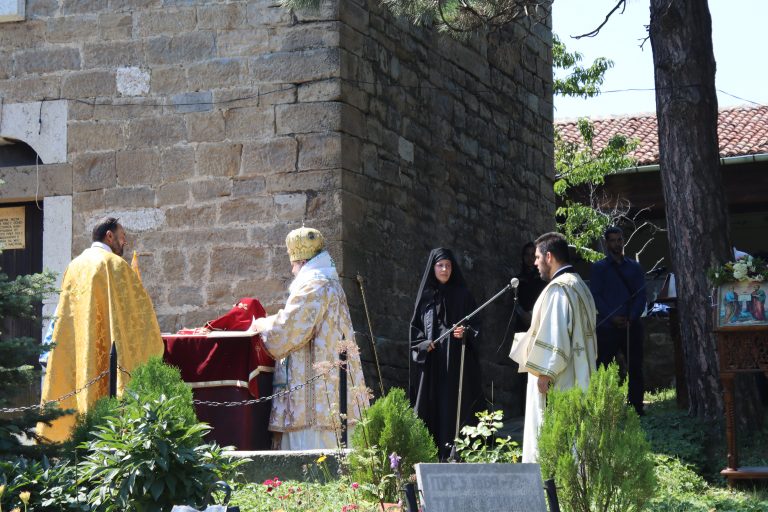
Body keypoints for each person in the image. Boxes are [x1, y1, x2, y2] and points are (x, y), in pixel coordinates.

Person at [38, 217, 163, 442]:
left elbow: (63, 313)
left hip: (79, 349)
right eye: (122, 237)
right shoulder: (114, 265)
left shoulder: (74, 266)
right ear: (109, 236)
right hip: (108, 353)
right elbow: (138, 315)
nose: (124, 243)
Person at [251, 227, 369, 450]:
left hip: (314, 397)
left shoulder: (313, 284)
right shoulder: (330, 282)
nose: (292, 270)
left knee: (313, 456)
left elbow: (288, 330)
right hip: (332, 384)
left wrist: (260, 324)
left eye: (293, 265)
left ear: (301, 262)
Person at [510, 232, 597, 463]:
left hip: (561, 378)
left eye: (538, 257)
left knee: (556, 437)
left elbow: (555, 335)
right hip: (579, 372)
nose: (535, 262)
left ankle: (553, 484)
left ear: (549, 256)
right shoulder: (580, 285)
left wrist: (545, 373)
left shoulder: (558, 289)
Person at [409, 248, 484, 460]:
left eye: (448, 265)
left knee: (454, 406)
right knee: (430, 405)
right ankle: (429, 453)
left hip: (456, 365)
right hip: (433, 364)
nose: (444, 269)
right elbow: (415, 331)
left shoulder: (463, 295)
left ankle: (455, 452)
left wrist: (465, 332)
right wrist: (424, 344)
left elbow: (476, 326)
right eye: (440, 265)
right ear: (433, 268)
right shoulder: (425, 298)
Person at [590, 226, 647, 415]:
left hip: (632, 325)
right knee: (603, 368)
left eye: (619, 239)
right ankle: (603, 408)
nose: (617, 244)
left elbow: (641, 295)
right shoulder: (598, 269)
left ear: (623, 241)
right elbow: (596, 296)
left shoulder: (634, 267)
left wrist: (631, 317)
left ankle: (636, 407)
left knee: (635, 367)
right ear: (607, 243)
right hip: (607, 326)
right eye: (613, 240)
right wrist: (611, 317)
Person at [515, 242, 547, 331]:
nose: (529, 258)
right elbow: (514, 300)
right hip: (522, 323)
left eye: (532, 255)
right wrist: (523, 314)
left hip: (539, 322)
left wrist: (533, 315)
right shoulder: (518, 279)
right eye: (527, 255)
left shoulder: (543, 279)